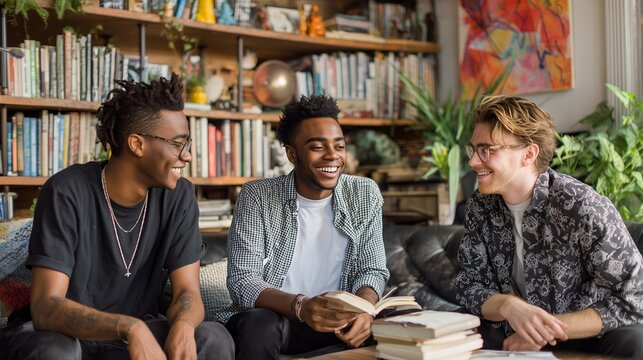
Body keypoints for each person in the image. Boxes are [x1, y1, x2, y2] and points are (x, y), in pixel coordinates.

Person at [3, 74, 234, 360]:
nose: (186, 156)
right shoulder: (67, 190)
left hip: (135, 339)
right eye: (177, 144)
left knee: (213, 337)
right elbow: (46, 307)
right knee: (55, 351)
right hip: (65, 337)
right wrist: (129, 327)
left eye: (187, 144)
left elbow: (187, 291)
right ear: (137, 144)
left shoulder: (179, 196)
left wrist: (184, 325)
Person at [456, 95, 643, 358]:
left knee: (635, 342)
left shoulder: (580, 205)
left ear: (528, 154)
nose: (473, 161)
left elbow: (637, 296)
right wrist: (509, 306)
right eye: (473, 149)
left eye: (486, 149)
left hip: (582, 337)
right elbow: (469, 285)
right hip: (510, 333)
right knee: (453, 329)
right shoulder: (480, 205)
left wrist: (544, 330)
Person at [219, 94, 389, 359]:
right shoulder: (258, 196)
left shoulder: (363, 193)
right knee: (258, 324)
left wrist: (365, 308)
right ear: (292, 153)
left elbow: (372, 269)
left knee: (412, 323)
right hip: (282, 320)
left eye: (339, 146)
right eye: (318, 147)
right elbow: (242, 280)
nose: (333, 156)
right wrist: (302, 306)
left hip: (342, 322)